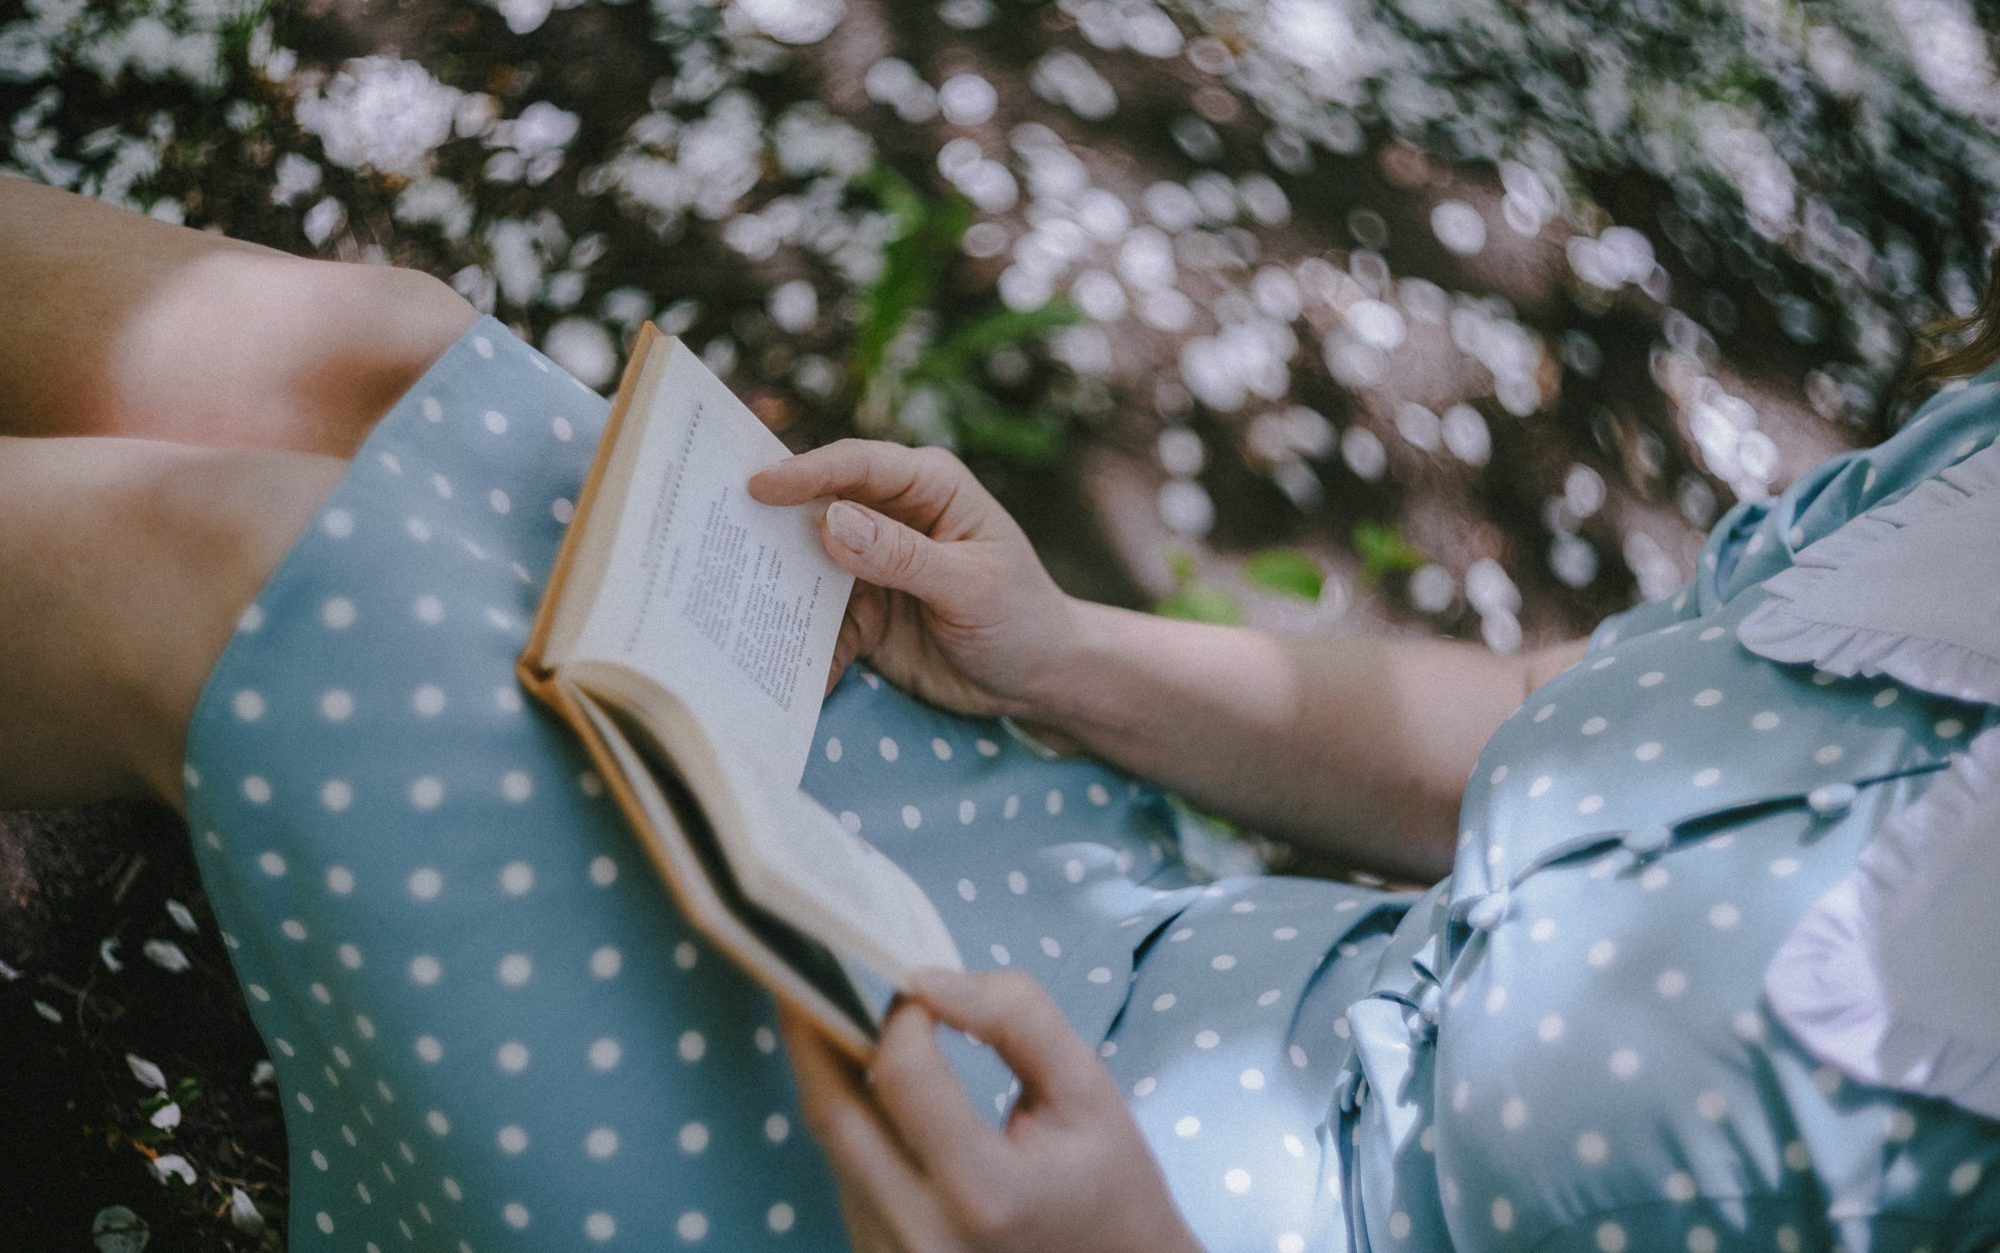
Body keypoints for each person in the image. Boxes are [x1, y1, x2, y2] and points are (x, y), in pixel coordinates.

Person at [4, 174, 1997, 1251]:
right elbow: (1544, 726)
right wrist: (1058, 652)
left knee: (234, 573)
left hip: (1011, 1210)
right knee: (376, 364)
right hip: (1136, 969)